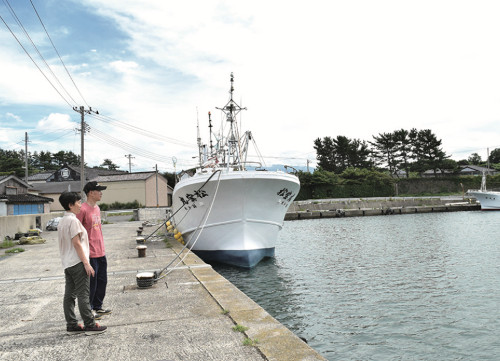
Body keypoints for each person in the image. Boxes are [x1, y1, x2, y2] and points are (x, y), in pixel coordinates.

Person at [58, 191, 107, 335]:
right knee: (83, 295)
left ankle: (71, 324)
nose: (80, 205)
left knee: (69, 295)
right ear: (70, 205)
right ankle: (90, 324)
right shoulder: (73, 221)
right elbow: (77, 243)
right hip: (78, 262)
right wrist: (86, 263)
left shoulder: (62, 221)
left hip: (67, 263)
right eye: (78, 202)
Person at [77, 181, 112, 319]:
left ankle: (98, 306)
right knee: (91, 283)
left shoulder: (97, 208)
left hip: (101, 251)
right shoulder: (82, 209)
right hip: (89, 253)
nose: (101, 193)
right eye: (99, 190)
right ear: (91, 192)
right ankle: (89, 309)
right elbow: (77, 231)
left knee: (102, 280)